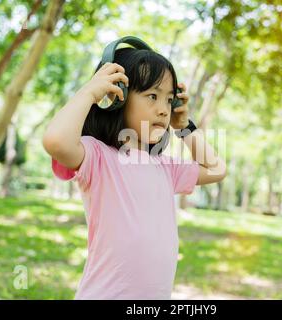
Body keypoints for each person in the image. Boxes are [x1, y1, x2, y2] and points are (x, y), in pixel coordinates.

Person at [42, 45, 227, 299]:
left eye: (169, 100)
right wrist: (90, 92)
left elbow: (216, 169)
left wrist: (184, 126)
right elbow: (56, 141)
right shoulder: (98, 157)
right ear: (118, 97)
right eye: (152, 96)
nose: (164, 109)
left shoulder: (165, 167)